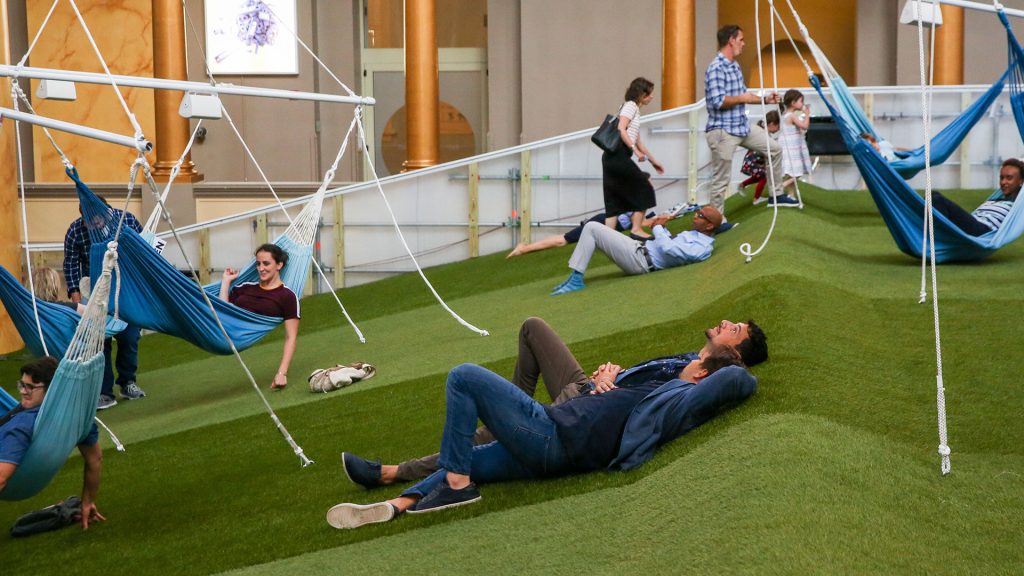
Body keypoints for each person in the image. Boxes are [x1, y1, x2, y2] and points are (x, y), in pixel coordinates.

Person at [327, 342, 753, 529]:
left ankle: (455, 488)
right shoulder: (669, 387)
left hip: (554, 435)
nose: (689, 362)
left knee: (463, 377)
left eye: (696, 361)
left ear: (699, 374)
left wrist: (728, 366)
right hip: (553, 449)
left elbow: (736, 380)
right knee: (464, 458)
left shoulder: (681, 398)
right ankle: (396, 504)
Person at [338, 315, 768, 488]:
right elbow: (633, 387)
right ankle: (507, 413)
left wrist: (612, 384)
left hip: (576, 417)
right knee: (533, 328)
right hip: (583, 392)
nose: (727, 323)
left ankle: (392, 473)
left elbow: (649, 406)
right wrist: (610, 375)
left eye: (736, 330)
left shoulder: (703, 377)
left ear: (737, 351)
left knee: (477, 428)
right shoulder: (688, 359)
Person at [0, 357, 105, 529]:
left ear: (52, 390)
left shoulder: (22, 427)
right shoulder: (79, 418)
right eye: (22, 385)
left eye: (31, 387)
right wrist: (87, 502)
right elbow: (95, 459)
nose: (23, 391)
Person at [705, 25, 797, 214]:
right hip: (722, 131)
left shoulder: (735, 66)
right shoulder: (715, 68)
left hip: (741, 127)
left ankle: (776, 196)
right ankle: (715, 222)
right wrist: (742, 98)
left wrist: (765, 99)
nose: (744, 44)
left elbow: (744, 94)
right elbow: (717, 101)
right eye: (741, 40)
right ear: (731, 40)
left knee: (775, 150)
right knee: (721, 180)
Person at [63, 201, 145, 410]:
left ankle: (128, 382)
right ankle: (104, 392)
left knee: (129, 337)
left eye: (97, 218)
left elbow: (145, 249)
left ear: (106, 211)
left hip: (126, 290)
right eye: (88, 221)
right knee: (100, 342)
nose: (94, 224)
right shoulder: (74, 231)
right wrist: (74, 293)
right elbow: (71, 263)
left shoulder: (126, 220)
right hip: (95, 293)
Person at [549, 205, 723, 295]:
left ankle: (576, 280)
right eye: (698, 212)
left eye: (701, 216)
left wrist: (658, 228)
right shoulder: (695, 236)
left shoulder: (702, 247)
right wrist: (662, 227)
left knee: (593, 227)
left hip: (640, 261)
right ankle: (574, 277)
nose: (695, 216)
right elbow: (671, 245)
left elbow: (669, 248)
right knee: (592, 228)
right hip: (640, 251)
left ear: (709, 225)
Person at [219, 243, 300, 389]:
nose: (261, 268)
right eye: (258, 264)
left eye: (266, 263)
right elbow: (221, 311)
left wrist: (282, 373)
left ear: (279, 265)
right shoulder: (244, 287)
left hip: (239, 337)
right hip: (220, 329)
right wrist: (225, 281)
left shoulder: (286, 296)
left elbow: (291, 337)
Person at [602, 77, 664, 240]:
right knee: (645, 188)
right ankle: (636, 229)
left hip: (612, 157)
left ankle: (608, 238)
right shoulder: (630, 107)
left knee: (612, 200)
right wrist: (634, 151)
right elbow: (621, 129)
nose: (651, 97)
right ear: (641, 94)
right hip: (618, 155)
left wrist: (653, 161)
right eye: (649, 93)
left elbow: (639, 141)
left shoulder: (634, 109)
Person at [930, 158, 1022, 236]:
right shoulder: (993, 199)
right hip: (973, 222)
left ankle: (932, 238)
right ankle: (931, 236)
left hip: (983, 230)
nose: (1003, 182)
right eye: (1001, 178)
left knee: (936, 199)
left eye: (1009, 178)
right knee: (932, 196)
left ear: (1021, 181)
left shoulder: (1019, 204)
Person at [740, 111, 781, 205]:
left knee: (759, 176)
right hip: (754, 161)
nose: (778, 129)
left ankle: (743, 184)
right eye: (778, 126)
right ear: (771, 124)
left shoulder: (761, 133)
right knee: (764, 177)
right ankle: (756, 199)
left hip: (751, 161)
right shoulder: (764, 135)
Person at [778, 89, 812, 203]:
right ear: (793, 103)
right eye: (800, 101)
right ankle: (781, 186)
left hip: (787, 146)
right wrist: (807, 114)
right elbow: (804, 126)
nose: (802, 104)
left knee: (791, 173)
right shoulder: (791, 116)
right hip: (791, 148)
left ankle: (791, 195)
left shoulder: (785, 114)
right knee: (797, 173)